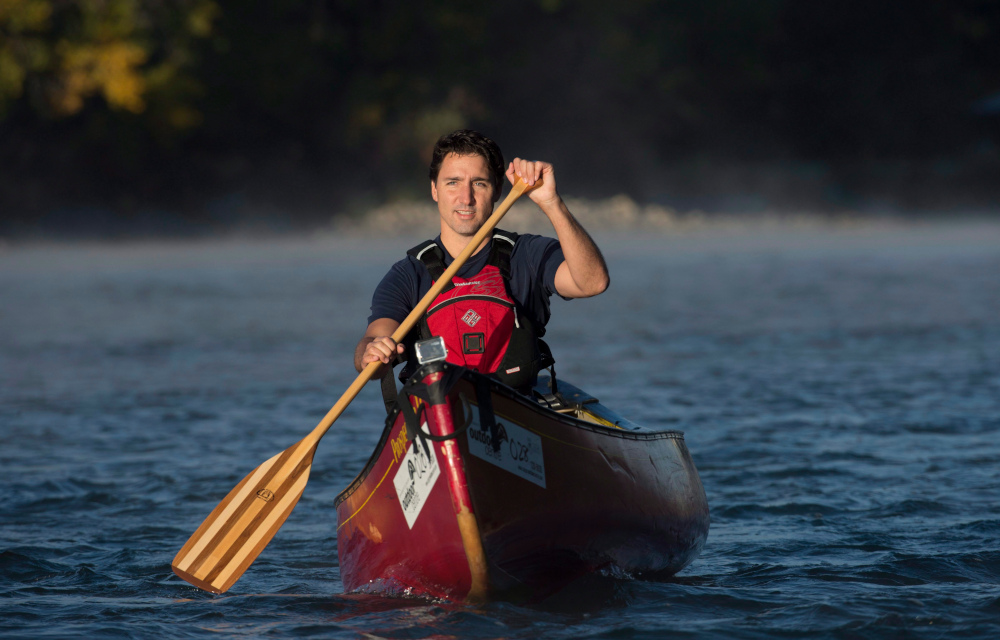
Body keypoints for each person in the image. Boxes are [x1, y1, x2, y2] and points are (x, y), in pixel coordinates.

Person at [354, 129, 609, 394]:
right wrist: (372, 352)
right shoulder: (408, 274)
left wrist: (551, 202)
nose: (466, 198)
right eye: (453, 182)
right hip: (437, 411)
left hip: (516, 413)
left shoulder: (528, 254)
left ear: (498, 190)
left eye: (479, 183)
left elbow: (593, 283)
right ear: (434, 189)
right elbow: (373, 339)